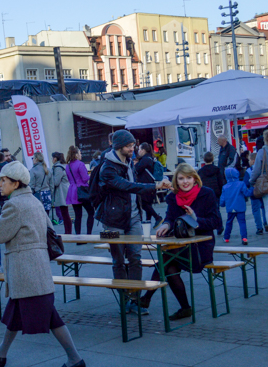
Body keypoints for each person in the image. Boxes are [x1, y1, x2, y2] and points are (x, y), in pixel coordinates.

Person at [0, 161, 85, 367]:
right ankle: (1, 353)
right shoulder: (34, 201)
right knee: (17, 312)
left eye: (3, 180)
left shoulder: (14, 205)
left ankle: (75, 358)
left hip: (25, 270)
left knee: (51, 316)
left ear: (15, 183)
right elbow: (50, 229)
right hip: (36, 267)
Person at [96, 130, 170, 314]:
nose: (133, 148)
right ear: (119, 147)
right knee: (118, 260)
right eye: (129, 146)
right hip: (111, 221)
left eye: (133, 145)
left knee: (136, 257)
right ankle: (125, 299)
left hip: (134, 218)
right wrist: (154, 186)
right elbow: (127, 186)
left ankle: (135, 299)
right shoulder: (107, 168)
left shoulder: (129, 161)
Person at [139, 163, 223, 320]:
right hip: (179, 247)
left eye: (189, 178)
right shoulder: (172, 197)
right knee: (168, 267)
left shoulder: (207, 194)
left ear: (195, 179)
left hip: (201, 247)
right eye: (181, 178)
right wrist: (166, 224)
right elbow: (170, 217)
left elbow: (216, 222)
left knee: (166, 258)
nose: (185, 182)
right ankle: (185, 308)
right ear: (176, 181)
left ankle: (146, 297)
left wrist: (196, 220)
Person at [65, 146, 96, 234]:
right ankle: (88, 234)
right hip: (82, 190)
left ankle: (78, 237)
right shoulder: (80, 164)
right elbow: (85, 178)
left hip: (73, 191)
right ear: (76, 155)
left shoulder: (68, 166)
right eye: (80, 153)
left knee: (78, 216)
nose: (81, 155)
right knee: (91, 212)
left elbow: (69, 178)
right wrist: (92, 173)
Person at [220, 167, 251, 245]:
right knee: (242, 222)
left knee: (229, 222)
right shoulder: (241, 184)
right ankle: (244, 238)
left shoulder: (225, 187)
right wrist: (252, 189)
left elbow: (222, 199)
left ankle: (226, 237)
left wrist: (222, 204)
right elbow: (246, 193)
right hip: (240, 207)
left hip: (230, 207)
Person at [134, 143, 162, 226]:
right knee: (148, 203)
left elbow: (137, 169)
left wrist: (135, 164)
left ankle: (157, 217)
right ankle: (148, 222)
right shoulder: (150, 158)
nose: (138, 151)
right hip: (150, 184)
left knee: (143, 203)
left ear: (143, 150)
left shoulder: (145, 159)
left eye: (139, 149)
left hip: (146, 184)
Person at [49, 152, 71, 233]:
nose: (51, 160)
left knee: (65, 213)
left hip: (62, 192)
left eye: (52, 158)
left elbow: (56, 181)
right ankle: (68, 231)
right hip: (65, 190)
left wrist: (50, 180)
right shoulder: (63, 165)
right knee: (65, 213)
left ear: (55, 158)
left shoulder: (58, 167)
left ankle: (68, 232)